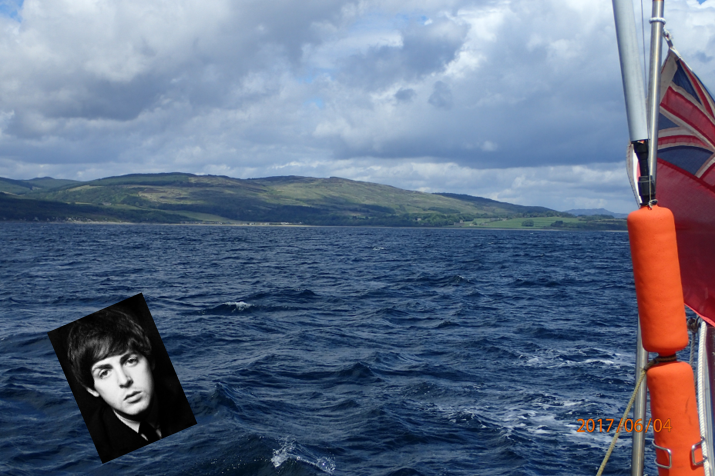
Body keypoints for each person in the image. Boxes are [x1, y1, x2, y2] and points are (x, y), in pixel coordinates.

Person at [65, 306, 196, 463]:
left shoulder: (191, 398)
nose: (124, 380)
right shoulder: (94, 449)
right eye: (104, 373)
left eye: (130, 361)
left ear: (150, 361)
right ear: (92, 389)